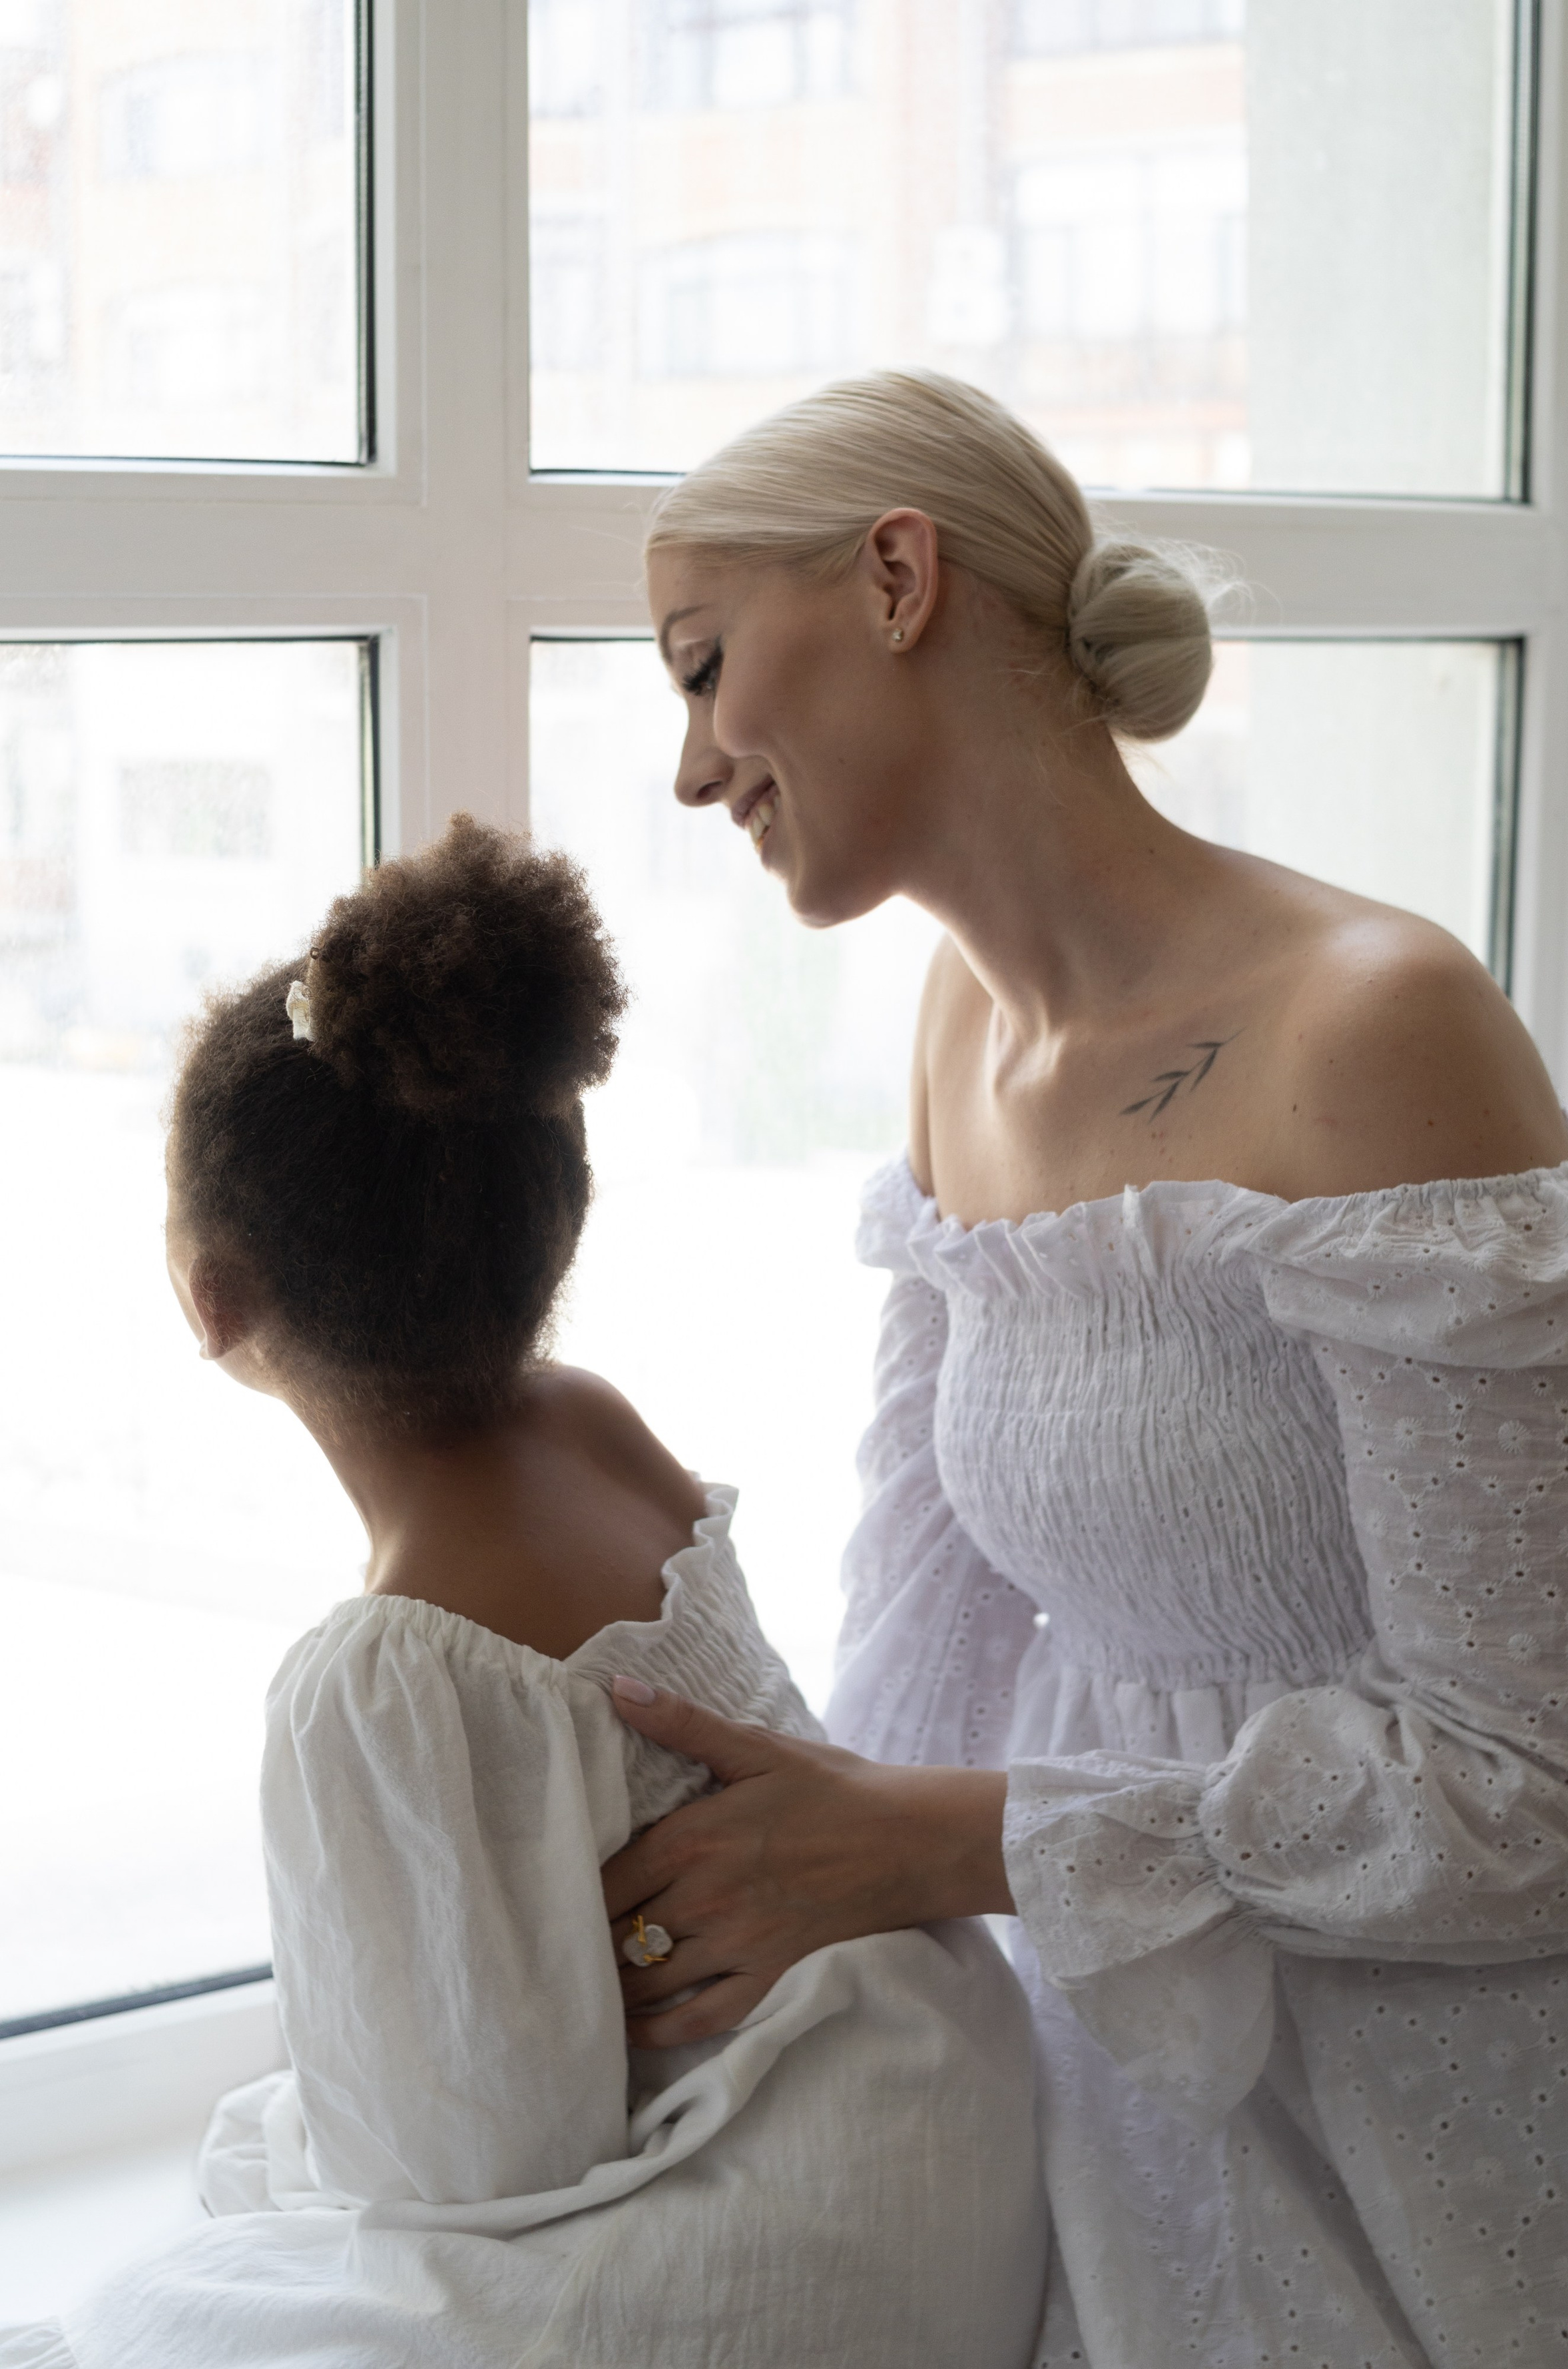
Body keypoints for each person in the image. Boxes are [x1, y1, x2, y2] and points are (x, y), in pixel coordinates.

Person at [604, 369, 1568, 2366]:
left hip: (1482, 2151)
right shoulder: (957, 1033)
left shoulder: (1371, 1024)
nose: (690, 768)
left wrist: (956, 1838)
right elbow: (922, 1636)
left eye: (701, 666)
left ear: (897, 577)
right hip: (1123, 2105)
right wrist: (753, 1950)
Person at [0, 816, 1046, 2369]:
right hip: (952, 2109)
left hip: (808, 2243)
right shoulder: (598, 1421)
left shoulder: (383, 1671)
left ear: (208, 1298)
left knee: (145, 2315)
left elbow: (465, 2161)